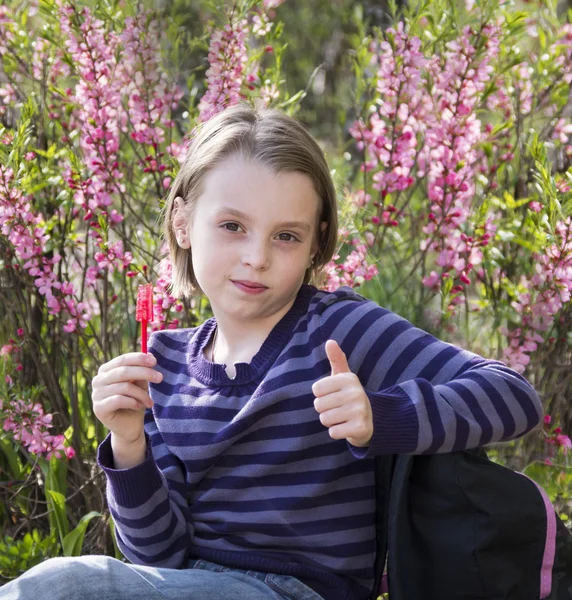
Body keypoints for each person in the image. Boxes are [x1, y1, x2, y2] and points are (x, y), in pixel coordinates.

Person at [0, 103, 543, 600]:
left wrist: (382, 416)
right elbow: (156, 557)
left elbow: (513, 396)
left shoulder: (337, 330)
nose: (256, 257)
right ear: (183, 224)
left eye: (286, 236)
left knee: (64, 586)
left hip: (301, 592)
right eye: (232, 226)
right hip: (195, 586)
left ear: (315, 243)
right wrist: (128, 444)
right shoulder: (163, 366)